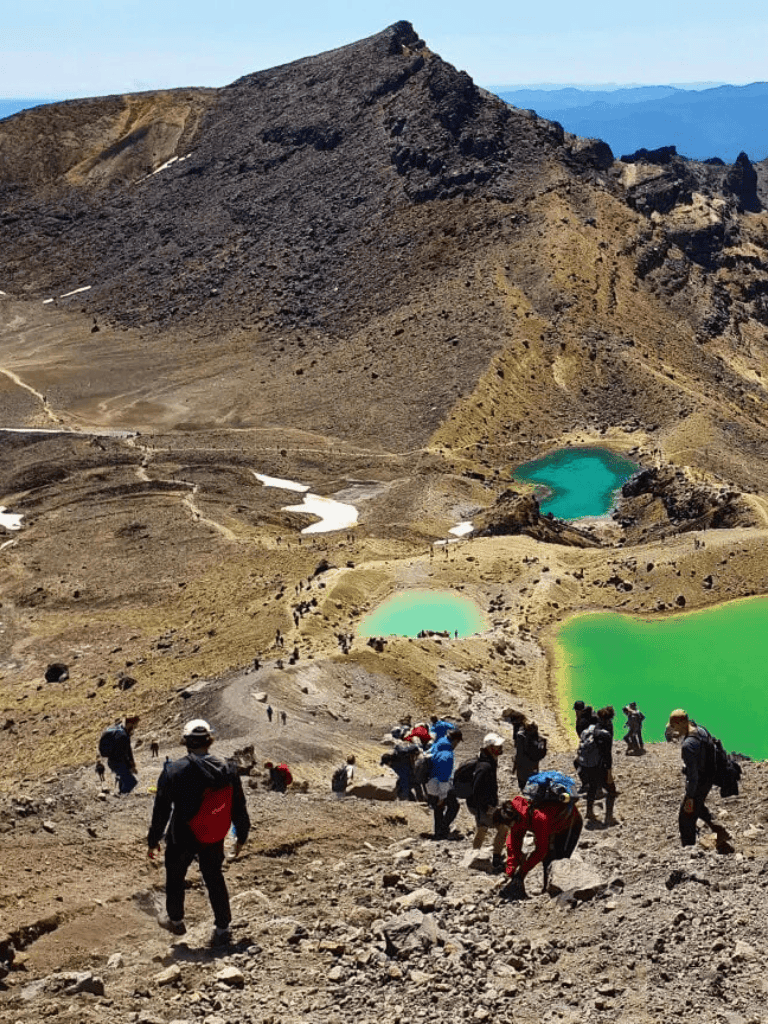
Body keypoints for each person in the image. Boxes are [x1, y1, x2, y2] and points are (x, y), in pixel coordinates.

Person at [147, 719, 250, 945]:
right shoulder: (228, 768)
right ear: (209, 741)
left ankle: (175, 921)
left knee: (175, 877)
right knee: (214, 876)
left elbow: (161, 810)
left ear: (185, 741)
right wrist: (241, 836)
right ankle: (223, 927)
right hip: (213, 833)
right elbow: (238, 806)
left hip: (182, 834)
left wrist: (153, 840)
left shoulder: (174, 771)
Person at [666, 709, 731, 848]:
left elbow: (693, 776)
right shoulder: (700, 730)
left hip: (699, 781)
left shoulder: (688, 745)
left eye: (674, 726)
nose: (674, 730)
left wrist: (690, 796)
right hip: (709, 776)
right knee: (698, 806)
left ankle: (689, 849)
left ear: (682, 724)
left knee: (685, 816)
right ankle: (718, 829)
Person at [500, 791, 583, 896]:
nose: (511, 827)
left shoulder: (538, 817)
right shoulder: (516, 818)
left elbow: (541, 850)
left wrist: (522, 873)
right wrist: (510, 871)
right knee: (547, 859)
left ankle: (560, 893)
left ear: (516, 819)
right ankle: (547, 891)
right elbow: (514, 846)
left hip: (569, 825)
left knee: (560, 860)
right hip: (552, 825)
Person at [468, 733, 508, 872]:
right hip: (484, 807)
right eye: (498, 746)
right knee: (503, 828)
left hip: (479, 807)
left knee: (482, 828)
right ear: (490, 748)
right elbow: (477, 789)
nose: (501, 748)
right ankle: (496, 858)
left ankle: (474, 853)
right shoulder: (485, 767)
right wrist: (487, 807)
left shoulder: (487, 761)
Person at [576, 710, 618, 826]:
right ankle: (608, 817)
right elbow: (607, 755)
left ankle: (589, 812)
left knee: (592, 787)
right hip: (599, 766)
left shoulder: (586, 731)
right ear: (609, 719)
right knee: (611, 791)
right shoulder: (605, 734)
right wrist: (609, 772)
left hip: (586, 765)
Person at [426, 728, 463, 838]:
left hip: (429, 782)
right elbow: (443, 778)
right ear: (455, 741)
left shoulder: (439, 743)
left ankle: (439, 832)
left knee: (438, 809)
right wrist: (442, 796)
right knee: (453, 806)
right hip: (438, 785)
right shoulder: (447, 755)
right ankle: (443, 828)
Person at [99, 715, 139, 794]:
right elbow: (123, 754)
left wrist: (132, 764)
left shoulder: (121, 729)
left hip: (114, 760)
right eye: (134, 725)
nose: (135, 728)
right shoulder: (122, 736)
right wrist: (131, 767)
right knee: (131, 782)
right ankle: (122, 797)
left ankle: (120, 791)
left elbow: (128, 750)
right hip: (116, 762)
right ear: (130, 724)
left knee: (125, 777)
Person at [513, 721, 547, 790]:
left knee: (523, 787)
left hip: (521, 771)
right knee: (531, 790)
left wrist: (515, 766)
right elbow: (541, 755)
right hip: (532, 769)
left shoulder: (520, 737)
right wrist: (544, 744)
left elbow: (518, 754)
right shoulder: (536, 740)